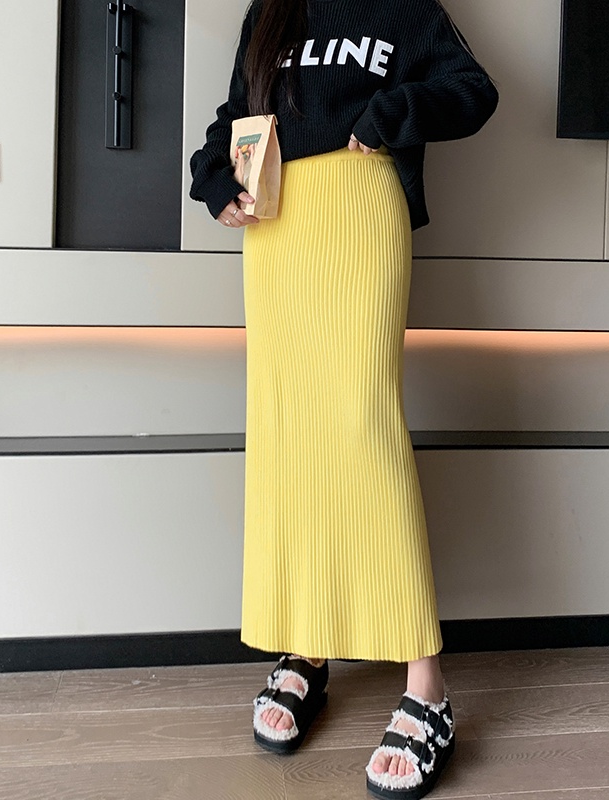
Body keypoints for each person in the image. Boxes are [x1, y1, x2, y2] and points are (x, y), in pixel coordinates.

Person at [188, 0, 499, 796]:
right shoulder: (270, 9)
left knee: (362, 430)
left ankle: (427, 685)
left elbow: (473, 90)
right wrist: (213, 178)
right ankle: (306, 643)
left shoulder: (401, 5)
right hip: (275, 227)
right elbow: (237, 113)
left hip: (360, 207)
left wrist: (391, 113)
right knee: (291, 433)